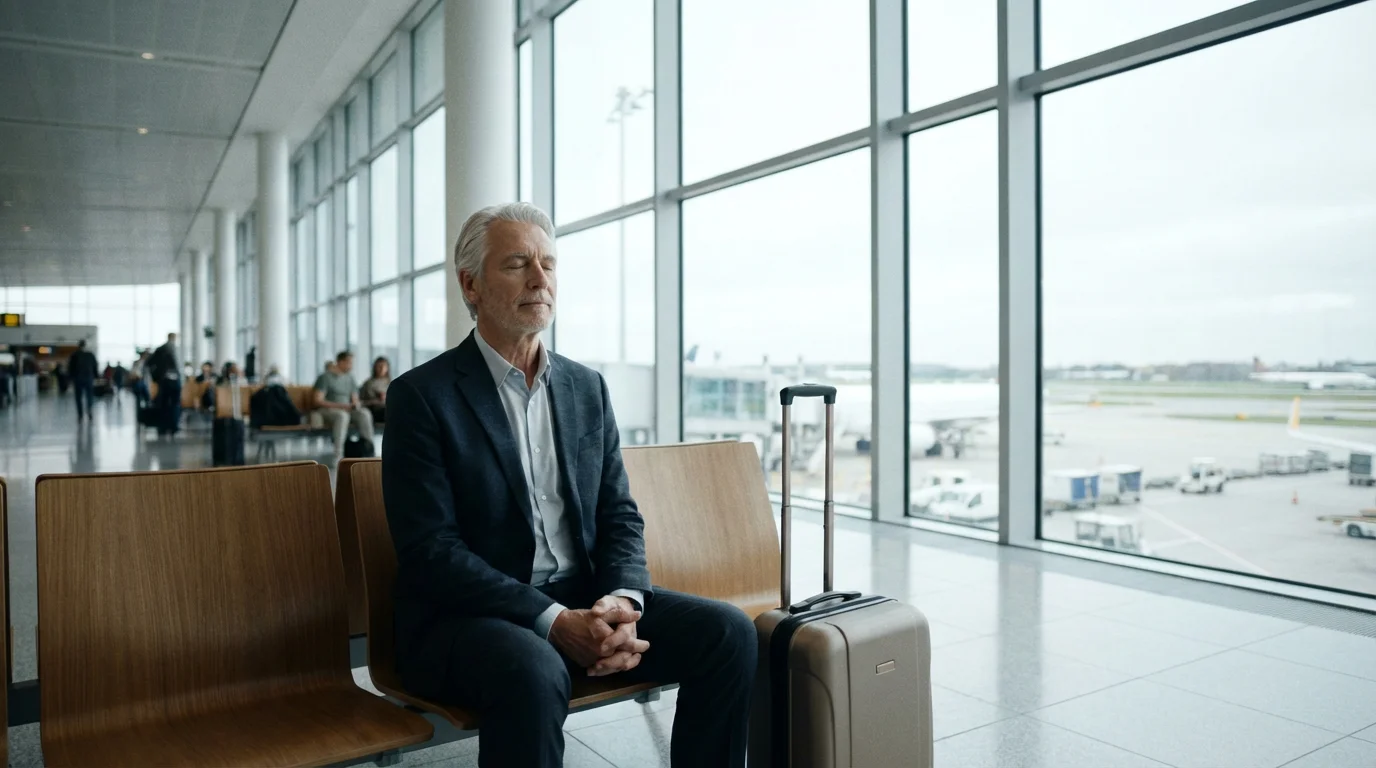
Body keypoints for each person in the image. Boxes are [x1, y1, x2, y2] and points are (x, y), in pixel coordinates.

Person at [383, 203, 755, 768]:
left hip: (582, 594)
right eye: (517, 264)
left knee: (727, 633)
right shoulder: (422, 397)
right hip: (467, 617)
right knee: (534, 668)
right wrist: (555, 623)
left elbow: (619, 514)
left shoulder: (586, 387)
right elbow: (431, 552)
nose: (540, 279)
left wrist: (621, 601)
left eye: (549, 264)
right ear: (471, 285)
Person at [312, 351, 375, 462]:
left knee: (364, 413)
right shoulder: (325, 377)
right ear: (340, 362)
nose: (351, 366)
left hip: (346, 409)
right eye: (349, 362)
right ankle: (338, 455)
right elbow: (317, 400)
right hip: (328, 410)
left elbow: (354, 398)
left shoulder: (350, 378)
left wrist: (356, 404)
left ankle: (369, 451)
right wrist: (341, 406)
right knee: (342, 416)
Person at [147, 332, 182, 436]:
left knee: (164, 404)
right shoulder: (176, 350)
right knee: (173, 404)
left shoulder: (161, 349)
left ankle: (164, 426)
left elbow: (149, 363)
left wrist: (156, 377)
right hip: (173, 380)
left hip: (165, 381)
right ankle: (173, 426)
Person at [67, 341, 99, 420]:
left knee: (78, 397)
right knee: (89, 396)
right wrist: (96, 377)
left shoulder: (74, 355)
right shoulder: (90, 355)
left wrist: (70, 378)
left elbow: (70, 368)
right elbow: (95, 366)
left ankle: (80, 414)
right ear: (85, 345)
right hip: (88, 378)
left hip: (78, 378)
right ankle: (89, 410)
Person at [359, 357, 391, 426]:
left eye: (384, 366)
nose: (381, 369)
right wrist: (376, 400)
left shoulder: (391, 383)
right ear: (375, 368)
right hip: (375, 410)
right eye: (379, 366)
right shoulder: (368, 383)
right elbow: (361, 402)